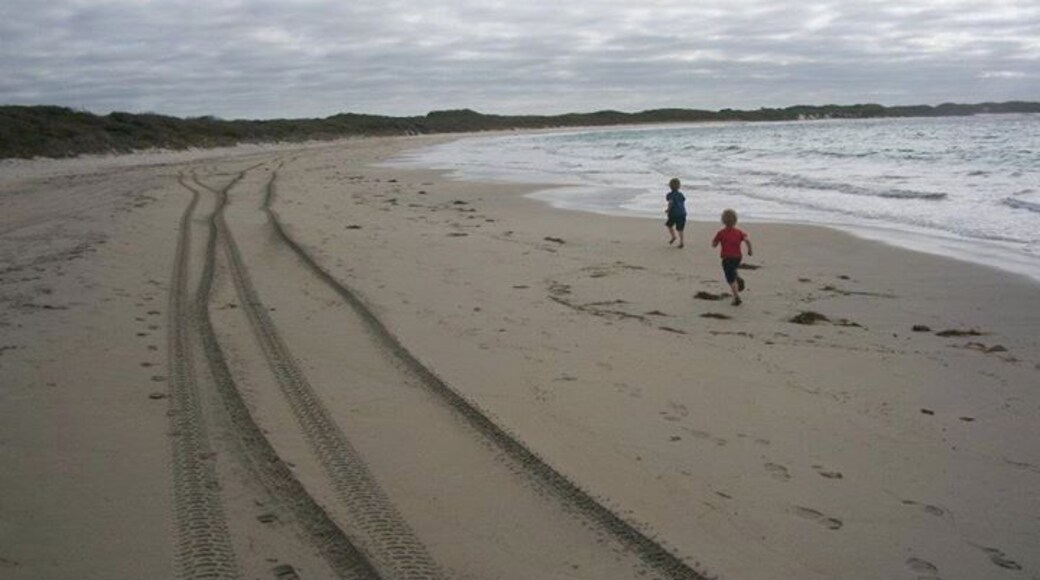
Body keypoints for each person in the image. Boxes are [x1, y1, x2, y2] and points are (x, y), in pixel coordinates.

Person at [711, 209, 753, 306]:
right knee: (733, 269)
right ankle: (737, 278)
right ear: (735, 220)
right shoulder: (739, 232)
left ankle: (736, 297)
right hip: (738, 257)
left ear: (723, 221)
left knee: (730, 279)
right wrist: (750, 250)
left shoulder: (721, 233)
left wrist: (715, 243)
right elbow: (747, 240)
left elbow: (714, 244)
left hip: (727, 258)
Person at [664, 178, 687, 248]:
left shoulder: (669, 195)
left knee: (669, 225)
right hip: (682, 213)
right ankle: (681, 242)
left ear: (670, 186)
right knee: (680, 229)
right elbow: (683, 200)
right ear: (679, 186)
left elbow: (670, 202)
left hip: (673, 214)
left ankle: (673, 236)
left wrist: (668, 209)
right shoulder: (681, 194)